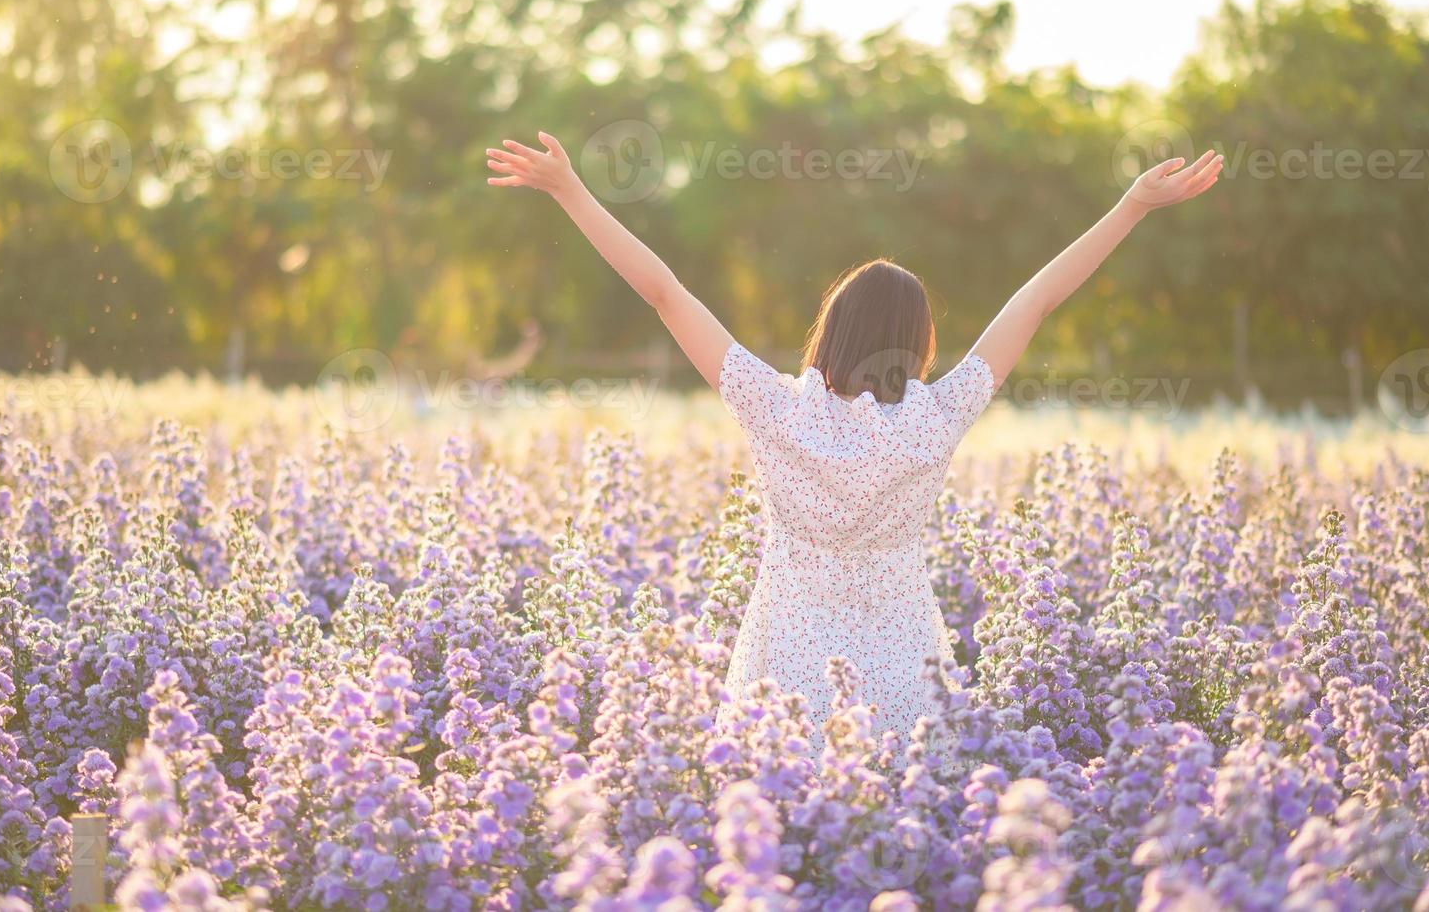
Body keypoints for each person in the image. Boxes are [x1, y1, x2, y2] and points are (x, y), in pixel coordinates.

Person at [486, 133, 1223, 754]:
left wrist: (571, 192)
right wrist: (1130, 206)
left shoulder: (773, 406)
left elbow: (665, 293)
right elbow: (1036, 298)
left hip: (784, 680)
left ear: (831, 328)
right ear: (918, 341)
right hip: (908, 679)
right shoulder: (937, 416)